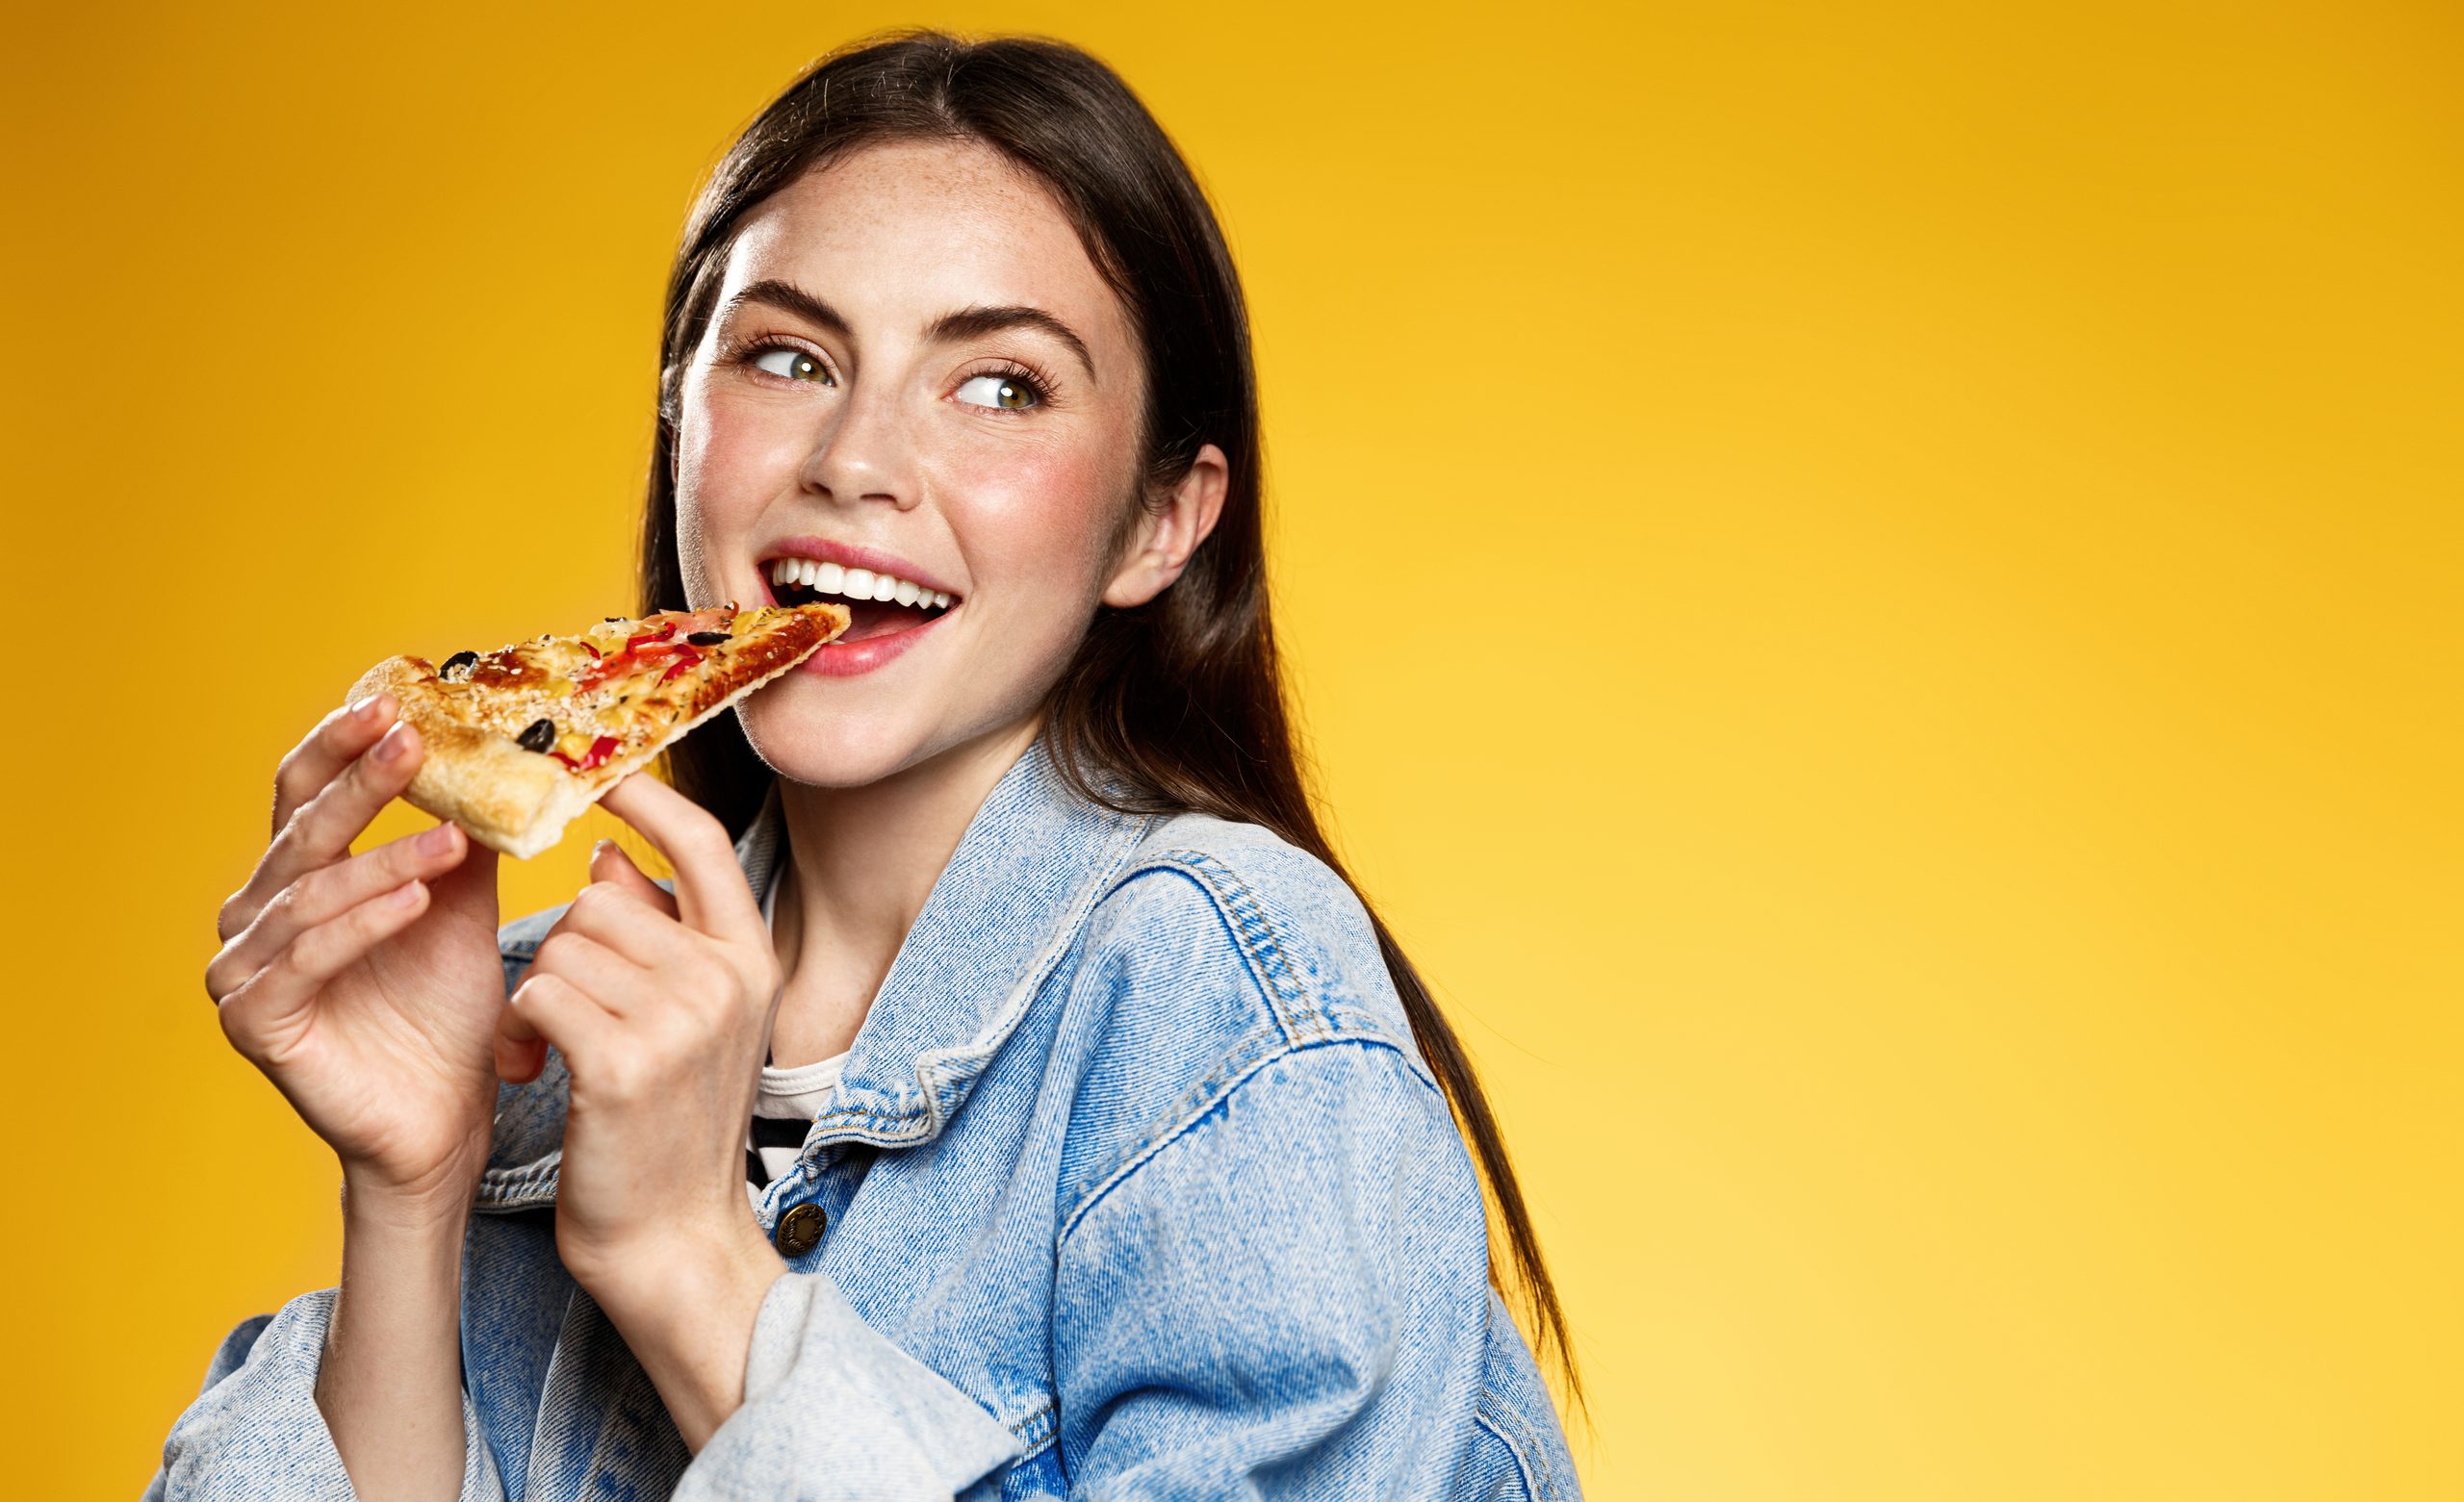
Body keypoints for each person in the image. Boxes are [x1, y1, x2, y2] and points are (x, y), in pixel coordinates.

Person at [158, 28, 1580, 1500]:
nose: (857, 459)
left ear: (1164, 519)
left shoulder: (1212, 985)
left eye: (1000, 385)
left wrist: (689, 1263)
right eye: (788, 357)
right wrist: (413, 1190)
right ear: (680, 417)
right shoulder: (547, 1020)